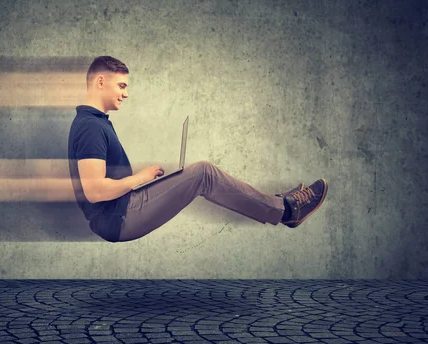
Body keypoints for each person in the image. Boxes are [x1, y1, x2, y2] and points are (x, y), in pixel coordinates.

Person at [67, 56, 328, 243]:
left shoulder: (95, 122)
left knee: (200, 173)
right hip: (118, 219)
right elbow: (94, 191)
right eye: (121, 86)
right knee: (204, 173)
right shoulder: (90, 127)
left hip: (121, 211)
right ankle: (287, 210)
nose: (126, 94)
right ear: (100, 82)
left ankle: (275, 203)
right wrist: (141, 178)